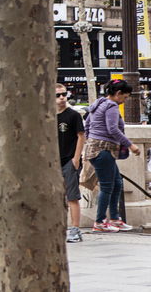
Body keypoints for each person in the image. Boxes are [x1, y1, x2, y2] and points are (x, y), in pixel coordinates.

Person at [83, 79, 141, 232]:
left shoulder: (98, 104)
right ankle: (100, 222)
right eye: (125, 97)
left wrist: (90, 142)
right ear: (118, 93)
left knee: (117, 183)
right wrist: (130, 145)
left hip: (96, 149)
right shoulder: (112, 106)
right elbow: (113, 130)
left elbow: (87, 125)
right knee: (107, 186)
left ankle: (114, 218)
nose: (125, 101)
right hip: (104, 150)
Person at [56, 83, 86, 243]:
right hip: (53, 162)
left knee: (72, 196)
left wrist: (76, 158)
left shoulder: (73, 115)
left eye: (64, 94)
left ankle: (75, 229)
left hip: (69, 160)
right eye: (58, 95)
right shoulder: (47, 116)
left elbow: (81, 136)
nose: (62, 98)